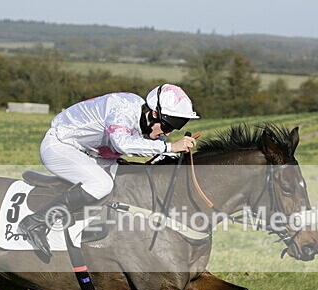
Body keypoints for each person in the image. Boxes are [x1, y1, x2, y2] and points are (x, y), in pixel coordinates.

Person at [18, 83, 200, 257]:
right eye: (167, 126)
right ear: (153, 113)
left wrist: (176, 157)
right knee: (101, 184)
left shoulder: (149, 121)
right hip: (60, 146)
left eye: (175, 128)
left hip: (90, 154)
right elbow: (122, 143)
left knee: (126, 182)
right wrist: (169, 148)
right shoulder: (123, 108)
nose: (167, 134)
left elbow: (154, 154)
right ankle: (36, 221)